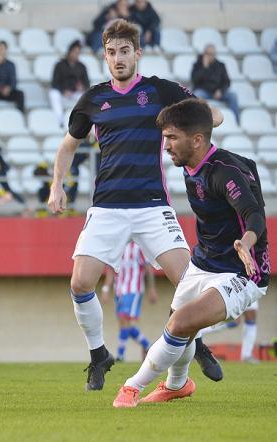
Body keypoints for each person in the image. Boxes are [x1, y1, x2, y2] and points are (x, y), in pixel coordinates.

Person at [47, 19, 223, 391]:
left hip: (152, 205)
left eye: (125, 51)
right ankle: (99, 355)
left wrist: (207, 120)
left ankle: (200, 343)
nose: (118, 58)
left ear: (137, 54)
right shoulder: (93, 99)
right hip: (107, 207)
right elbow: (67, 146)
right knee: (80, 282)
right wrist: (57, 185)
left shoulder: (160, 91)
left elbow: (207, 113)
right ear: (105, 56)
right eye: (111, 52)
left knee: (189, 282)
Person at [113, 98, 269, 407]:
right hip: (204, 262)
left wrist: (247, 244)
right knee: (179, 324)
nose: (166, 145)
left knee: (181, 322)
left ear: (196, 140)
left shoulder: (224, 172)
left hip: (242, 270)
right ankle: (177, 385)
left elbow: (254, 215)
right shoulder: (192, 160)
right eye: (165, 137)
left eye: (172, 138)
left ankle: (131, 387)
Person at [101, 241, 157, 361]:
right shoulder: (115, 247)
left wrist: (151, 289)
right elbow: (110, 271)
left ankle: (120, 355)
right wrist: (105, 289)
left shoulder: (138, 247)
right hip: (119, 291)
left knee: (124, 319)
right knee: (124, 323)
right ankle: (148, 345)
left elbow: (148, 268)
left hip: (133, 289)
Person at [191, 44, 240, 123]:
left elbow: (227, 82)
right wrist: (204, 67)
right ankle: (198, 122)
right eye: (208, 54)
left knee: (233, 96)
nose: (210, 56)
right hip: (204, 91)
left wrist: (220, 91)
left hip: (218, 92)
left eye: (212, 54)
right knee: (197, 95)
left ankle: (235, 122)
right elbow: (195, 80)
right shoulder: (197, 65)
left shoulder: (220, 65)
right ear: (204, 54)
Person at [49, 40, 89, 128]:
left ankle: (79, 122)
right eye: (74, 52)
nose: (76, 55)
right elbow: (54, 83)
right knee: (53, 94)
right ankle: (59, 121)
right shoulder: (59, 65)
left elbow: (87, 84)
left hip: (75, 93)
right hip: (62, 93)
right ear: (69, 52)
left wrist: (82, 87)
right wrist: (63, 91)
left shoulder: (82, 67)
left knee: (85, 97)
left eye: (78, 53)